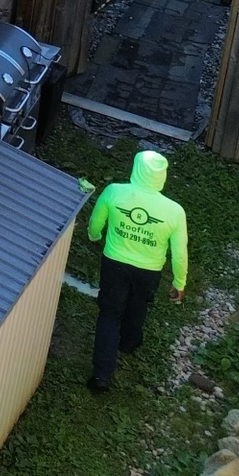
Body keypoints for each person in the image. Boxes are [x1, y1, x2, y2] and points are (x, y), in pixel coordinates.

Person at [85, 150, 188, 392]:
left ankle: (101, 375)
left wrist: (94, 235)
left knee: (110, 314)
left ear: (135, 170)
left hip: (115, 263)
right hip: (149, 271)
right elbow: (180, 252)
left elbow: (96, 221)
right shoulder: (174, 211)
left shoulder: (114, 192)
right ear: (161, 176)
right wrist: (179, 282)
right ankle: (129, 342)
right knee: (139, 303)